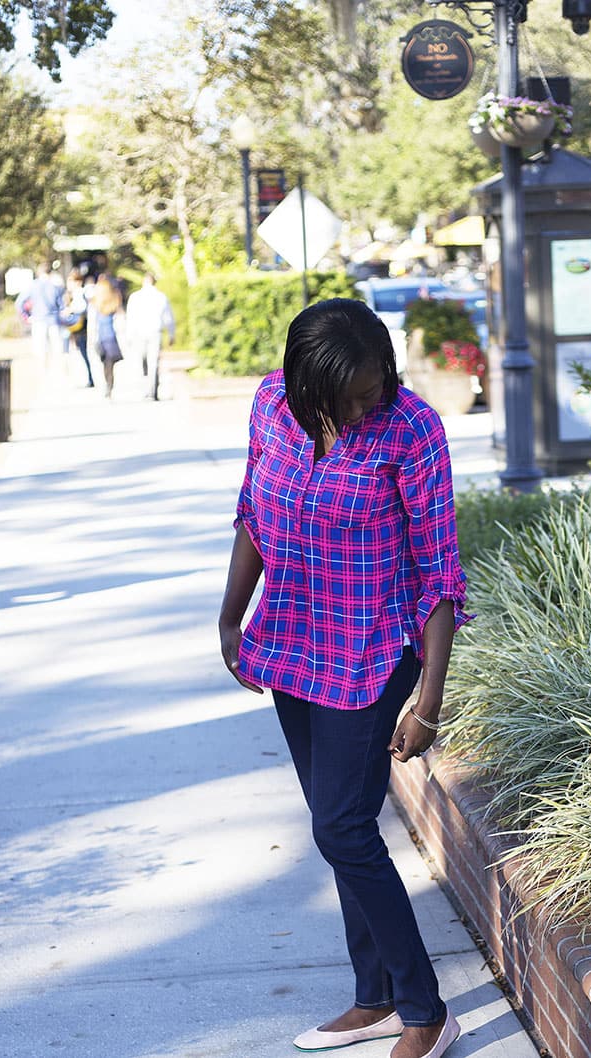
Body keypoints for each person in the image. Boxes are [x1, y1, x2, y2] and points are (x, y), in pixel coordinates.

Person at [219, 299, 470, 1058]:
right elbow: (252, 514)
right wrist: (231, 618)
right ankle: (377, 996)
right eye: (356, 394)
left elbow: (439, 573)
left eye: (379, 384)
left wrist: (428, 701)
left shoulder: (413, 428)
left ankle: (424, 1011)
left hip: (370, 656)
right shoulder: (270, 403)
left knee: (341, 827)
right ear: (307, 386)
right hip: (293, 643)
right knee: (344, 829)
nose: (373, 401)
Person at [125, 273, 175, 400]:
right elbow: (168, 318)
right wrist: (171, 334)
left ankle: (148, 389)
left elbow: (130, 318)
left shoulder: (136, 297)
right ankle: (152, 390)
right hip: (154, 332)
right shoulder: (160, 297)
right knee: (153, 362)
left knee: (144, 362)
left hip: (140, 333)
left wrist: (129, 335)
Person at [15, 263, 65, 368]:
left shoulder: (33, 285)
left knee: (41, 350)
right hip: (53, 320)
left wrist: (26, 316)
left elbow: (19, 302)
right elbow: (61, 305)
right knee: (57, 349)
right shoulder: (54, 286)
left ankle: (44, 373)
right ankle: (58, 372)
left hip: (38, 320)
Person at [91, 273, 124, 398]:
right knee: (110, 364)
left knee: (105, 364)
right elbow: (120, 321)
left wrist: (91, 338)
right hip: (112, 338)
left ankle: (108, 385)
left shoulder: (96, 305)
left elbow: (92, 324)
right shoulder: (114, 301)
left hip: (102, 338)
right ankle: (109, 385)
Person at [62, 268, 94, 387]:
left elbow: (82, 307)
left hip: (79, 327)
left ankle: (89, 377)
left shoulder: (80, 293)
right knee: (78, 353)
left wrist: (70, 310)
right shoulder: (71, 294)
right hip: (74, 327)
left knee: (83, 353)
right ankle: (86, 377)